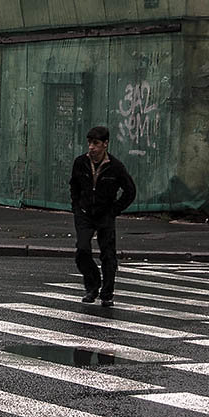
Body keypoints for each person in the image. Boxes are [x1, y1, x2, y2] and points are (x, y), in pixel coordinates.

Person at [69, 125, 136, 308]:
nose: (91, 147)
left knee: (108, 254)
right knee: (82, 249)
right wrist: (76, 206)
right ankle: (92, 286)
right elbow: (74, 186)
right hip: (84, 213)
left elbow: (130, 191)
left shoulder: (115, 167)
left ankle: (107, 293)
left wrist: (114, 210)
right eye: (90, 143)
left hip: (105, 214)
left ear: (105, 144)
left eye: (96, 143)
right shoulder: (80, 162)